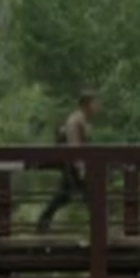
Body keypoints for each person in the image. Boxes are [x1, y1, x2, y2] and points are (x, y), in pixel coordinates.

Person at [33, 92, 100, 233]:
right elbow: (74, 146)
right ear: (85, 104)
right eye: (95, 103)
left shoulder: (84, 120)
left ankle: (43, 222)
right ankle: (101, 230)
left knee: (66, 195)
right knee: (89, 195)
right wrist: (81, 167)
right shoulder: (75, 120)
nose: (98, 106)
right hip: (73, 166)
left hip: (75, 165)